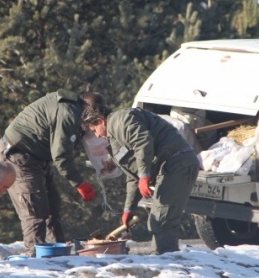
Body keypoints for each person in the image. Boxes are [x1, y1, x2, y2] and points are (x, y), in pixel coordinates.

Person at [0, 90, 105, 256]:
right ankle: (36, 262)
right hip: (17, 155)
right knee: (35, 211)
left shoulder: (75, 110)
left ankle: (57, 256)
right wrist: (79, 183)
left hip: (37, 157)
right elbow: (61, 156)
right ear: (87, 108)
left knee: (52, 206)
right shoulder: (68, 114)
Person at [81, 106, 200, 254]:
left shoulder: (121, 120)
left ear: (100, 121)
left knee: (161, 221)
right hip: (171, 166)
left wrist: (144, 175)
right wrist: (128, 209)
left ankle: (166, 264)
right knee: (159, 221)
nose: (97, 136)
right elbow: (133, 176)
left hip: (177, 163)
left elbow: (142, 141)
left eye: (94, 130)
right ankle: (162, 260)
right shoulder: (115, 134)